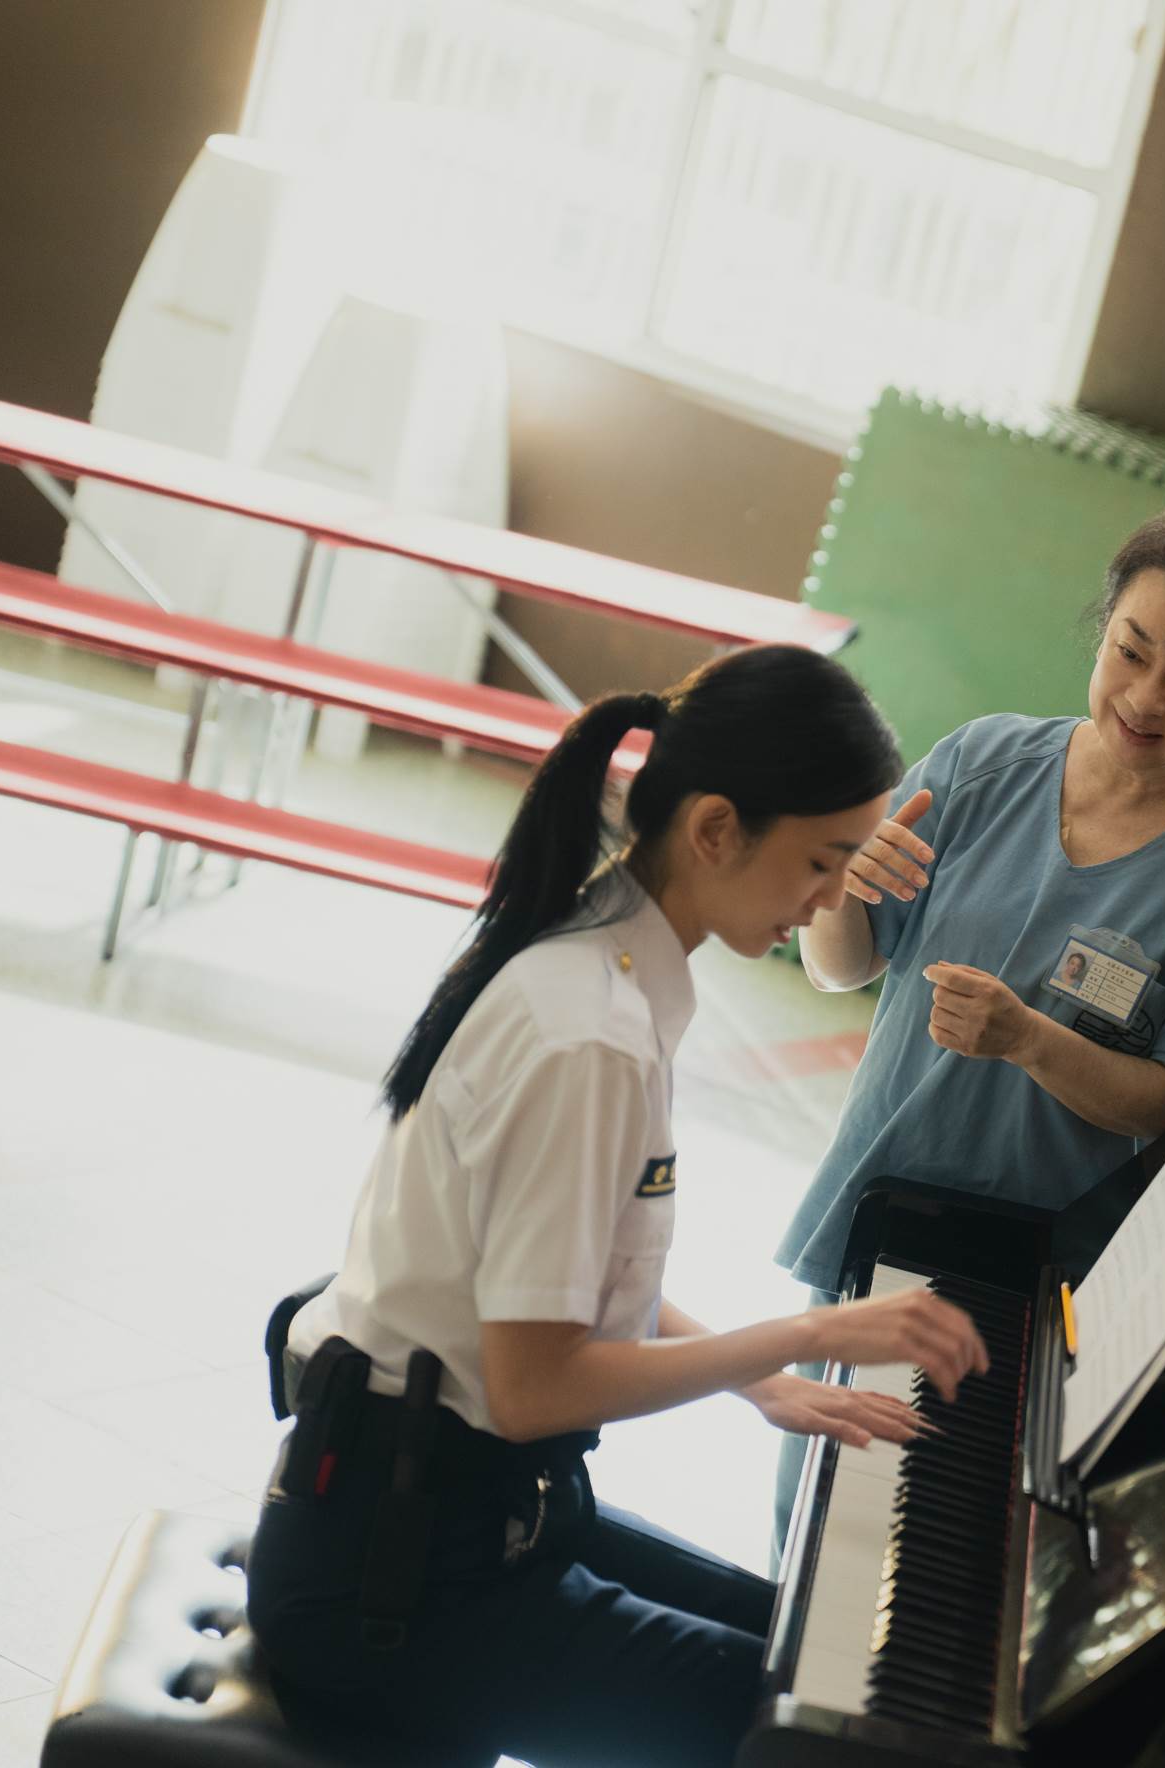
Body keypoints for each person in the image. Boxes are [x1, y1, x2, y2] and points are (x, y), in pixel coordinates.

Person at [247, 645, 990, 1768]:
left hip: (469, 1510)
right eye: (822, 860)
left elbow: (583, 1285)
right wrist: (807, 1332)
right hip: (393, 1582)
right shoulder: (586, 1032)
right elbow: (536, 1383)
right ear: (714, 829)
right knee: (805, 1735)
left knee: (794, 1656)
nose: (835, 898)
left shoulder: (608, 956)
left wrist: (766, 1381)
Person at [774, 510, 1165, 1520]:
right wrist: (844, 882)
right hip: (881, 1215)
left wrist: (1025, 1039)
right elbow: (839, 966)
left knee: (942, 1531)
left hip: (1037, 1278)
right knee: (812, 1518)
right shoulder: (983, 765)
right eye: (1130, 651)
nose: (1145, 698)